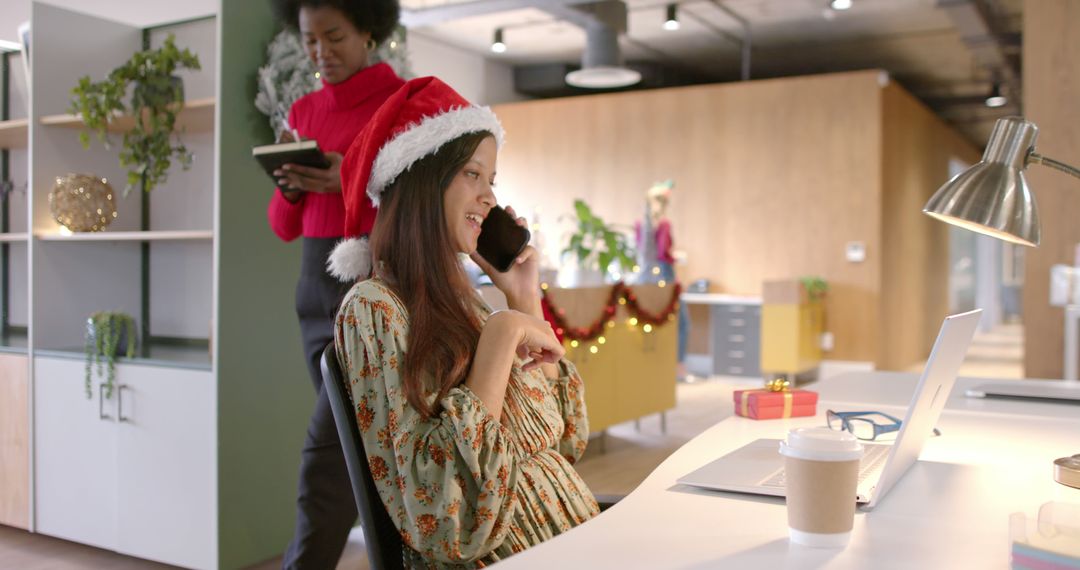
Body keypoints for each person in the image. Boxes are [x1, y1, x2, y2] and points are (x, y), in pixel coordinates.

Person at [327, 77, 600, 568]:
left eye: (492, 179)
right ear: (422, 179)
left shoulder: (469, 303)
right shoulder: (372, 310)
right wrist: (501, 335)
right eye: (472, 174)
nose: (489, 197)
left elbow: (567, 438)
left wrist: (522, 300)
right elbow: (442, 516)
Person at [265, 0, 404, 567]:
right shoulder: (303, 111)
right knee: (362, 452)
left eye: (334, 36)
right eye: (310, 39)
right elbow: (281, 226)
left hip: (367, 288)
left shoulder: (399, 104)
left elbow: (414, 211)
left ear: (369, 30)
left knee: (327, 458)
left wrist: (349, 178)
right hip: (312, 293)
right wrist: (294, 187)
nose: (321, 51)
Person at [636, 181, 692, 379]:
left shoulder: (640, 225)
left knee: (652, 324)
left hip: (643, 279)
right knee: (682, 323)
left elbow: (642, 254)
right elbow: (662, 253)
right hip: (665, 277)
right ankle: (679, 368)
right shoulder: (665, 224)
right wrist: (675, 257)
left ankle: (654, 368)